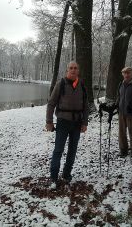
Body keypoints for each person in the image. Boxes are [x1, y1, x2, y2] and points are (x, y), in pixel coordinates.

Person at [46, 61, 88, 189]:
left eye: (75, 68)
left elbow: (85, 106)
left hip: (77, 123)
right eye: (71, 68)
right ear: (67, 70)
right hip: (63, 122)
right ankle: (53, 177)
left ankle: (66, 174)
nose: (73, 70)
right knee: (58, 150)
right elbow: (51, 103)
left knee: (72, 150)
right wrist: (49, 121)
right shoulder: (61, 84)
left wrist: (85, 122)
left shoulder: (81, 84)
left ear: (78, 71)